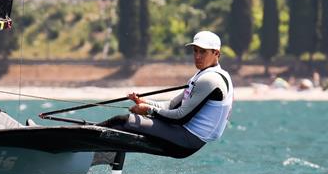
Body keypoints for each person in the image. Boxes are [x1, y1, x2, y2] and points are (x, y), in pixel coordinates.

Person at [99, 30, 234, 158]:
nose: (197, 56)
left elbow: (180, 117)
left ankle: (83, 139)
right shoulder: (206, 74)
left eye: (203, 52)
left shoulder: (210, 80)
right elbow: (171, 105)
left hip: (186, 141)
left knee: (122, 121)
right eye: (195, 51)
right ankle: (96, 149)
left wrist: (148, 110)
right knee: (123, 125)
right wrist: (144, 102)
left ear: (216, 53)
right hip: (182, 135)